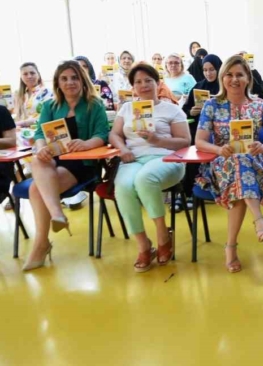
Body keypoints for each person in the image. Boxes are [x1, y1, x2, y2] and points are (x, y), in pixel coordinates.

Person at [195, 55, 263, 273]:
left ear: (248, 79)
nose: (234, 79)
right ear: (222, 78)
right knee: (238, 163)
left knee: (242, 165)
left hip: (255, 163)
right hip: (221, 165)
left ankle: (231, 246)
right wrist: (219, 149)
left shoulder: (259, 105)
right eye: (229, 74)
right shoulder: (211, 105)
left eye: (239, 75)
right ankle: (259, 221)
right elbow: (199, 141)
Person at [22, 61, 110, 271]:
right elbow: (40, 133)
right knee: (37, 159)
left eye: (74, 77)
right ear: (57, 83)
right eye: (64, 78)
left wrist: (86, 143)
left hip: (83, 162)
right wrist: (41, 147)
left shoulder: (94, 104)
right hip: (54, 160)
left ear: (82, 80)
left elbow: (102, 134)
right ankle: (57, 215)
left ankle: (41, 244)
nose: (70, 82)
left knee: (35, 189)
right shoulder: (50, 106)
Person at [109, 63, 191, 272]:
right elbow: (114, 134)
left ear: (158, 83)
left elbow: (185, 141)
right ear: (133, 87)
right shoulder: (127, 108)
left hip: (167, 158)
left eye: (148, 80)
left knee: (145, 179)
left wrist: (157, 140)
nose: (143, 85)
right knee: (123, 187)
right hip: (133, 159)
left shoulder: (172, 109)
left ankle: (163, 236)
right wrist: (122, 148)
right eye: (138, 82)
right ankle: (144, 245)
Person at [182, 54, 222, 205]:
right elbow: (185, 109)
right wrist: (191, 112)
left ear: (219, 69)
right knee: (194, 150)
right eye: (205, 70)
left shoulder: (225, 86)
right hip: (201, 129)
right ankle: (188, 193)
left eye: (212, 69)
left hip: (220, 129)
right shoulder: (198, 86)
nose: (208, 73)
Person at [13, 62, 53, 128]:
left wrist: (22, 123)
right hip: (21, 131)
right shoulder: (18, 94)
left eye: (32, 73)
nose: (29, 76)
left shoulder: (47, 92)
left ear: (38, 75)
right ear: (21, 77)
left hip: (40, 130)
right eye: (25, 74)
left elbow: (47, 117)